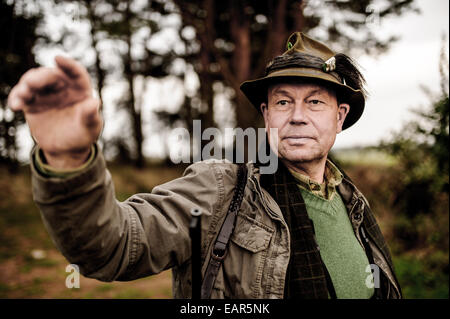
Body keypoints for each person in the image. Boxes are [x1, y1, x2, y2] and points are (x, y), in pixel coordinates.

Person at [7, 32, 401, 299]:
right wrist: (71, 160)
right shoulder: (222, 188)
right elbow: (111, 246)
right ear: (266, 115)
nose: (297, 116)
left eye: (315, 101)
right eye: (283, 102)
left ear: (340, 115)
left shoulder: (353, 201)